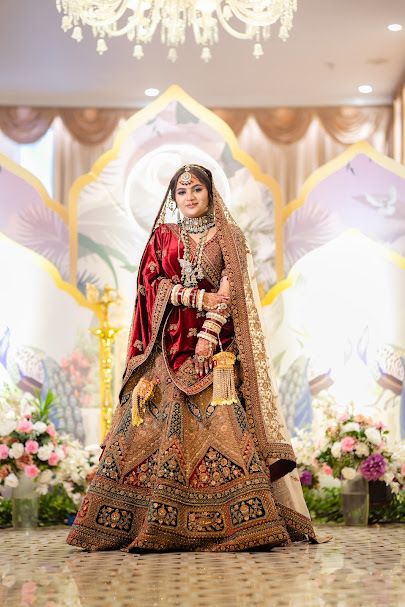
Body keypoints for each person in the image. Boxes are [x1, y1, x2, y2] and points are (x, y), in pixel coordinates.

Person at [66, 164, 317, 551]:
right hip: (165, 349)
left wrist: (208, 335)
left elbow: (230, 292)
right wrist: (195, 297)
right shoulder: (163, 236)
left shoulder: (230, 236)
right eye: (181, 191)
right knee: (143, 427)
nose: (189, 197)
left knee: (225, 427)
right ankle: (133, 524)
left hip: (215, 353)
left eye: (196, 189)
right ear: (173, 198)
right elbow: (150, 284)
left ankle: (243, 525)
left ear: (211, 192)